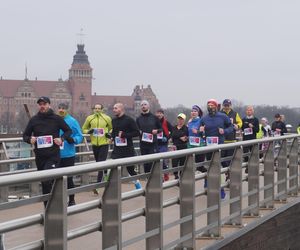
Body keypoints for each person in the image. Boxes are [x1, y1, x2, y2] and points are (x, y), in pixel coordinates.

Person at [23, 96, 72, 207]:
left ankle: (57, 204)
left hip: (53, 156)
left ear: (49, 105)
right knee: (45, 182)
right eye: (40, 104)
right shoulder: (34, 120)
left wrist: (62, 139)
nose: (42, 106)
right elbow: (25, 135)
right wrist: (30, 140)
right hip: (40, 157)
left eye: (44, 104)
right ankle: (47, 209)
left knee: (48, 178)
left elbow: (68, 131)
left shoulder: (56, 118)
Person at [200, 99, 234, 199]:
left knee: (218, 168)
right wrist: (200, 130)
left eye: (212, 105)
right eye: (208, 105)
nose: (210, 107)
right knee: (210, 167)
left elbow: (231, 127)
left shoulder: (222, 116)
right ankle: (210, 189)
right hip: (209, 147)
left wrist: (225, 131)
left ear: (216, 106)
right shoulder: (204, 118)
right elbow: (199, 132)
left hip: (220, 146)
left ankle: (222, 193)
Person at [57, 103, 83, 206]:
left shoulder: (72, 121)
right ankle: (58, 199)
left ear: (67, 110)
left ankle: (71, 199)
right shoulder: (54, 120)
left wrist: (74, 140)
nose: (61, 110)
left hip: (68, 154)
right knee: (55, 178)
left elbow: (79, 136)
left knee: (68, 179)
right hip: (55, 154)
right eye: (59, 108)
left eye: (63, 108)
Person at [82, 104, 112, 192]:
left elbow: (111, 128)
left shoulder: (107, 118)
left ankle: (97, 185)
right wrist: (88, 131)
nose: (97, 110)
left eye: (99, 109)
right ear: (93, 109)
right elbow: (83, 129)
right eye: (96, 108)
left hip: (104, 143)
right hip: (94, 144)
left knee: (100, 163)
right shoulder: (89, 118)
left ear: (102, 110)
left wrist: (108, 133)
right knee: (98, 163)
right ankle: (106, 174)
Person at [111, 103, 142, 189]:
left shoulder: (129, 120)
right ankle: (113, 187)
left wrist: (125, 135)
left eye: (116, 108)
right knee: (113, 167)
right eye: (113, 108)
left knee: (130, 169)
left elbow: (137, 132)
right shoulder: (113, 120)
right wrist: (112, 137)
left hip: (127, 149)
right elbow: (114, 131)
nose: (114, 110)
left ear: (121, 109)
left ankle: (138, 185)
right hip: (117, 149)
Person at [136, 100, 162, 173]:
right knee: (145, 162)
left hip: (153, 144)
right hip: (143, 144)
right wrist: (138, 131)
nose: (143, 106)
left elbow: (161, 129)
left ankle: (154, 176)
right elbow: (136, 130)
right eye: (142, 105)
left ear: (148, 106)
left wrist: (157, 131)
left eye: (145, 104)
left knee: (152, 161)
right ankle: (147, 178)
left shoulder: (154, 117)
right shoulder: (138, 119)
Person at [220, 99, 243, 171]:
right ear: (223, 105)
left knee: (229, 159)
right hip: (222, 140)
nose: (226, 107)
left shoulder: (235, 114)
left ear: (230, 106)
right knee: (221, 159)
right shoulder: (219, 114)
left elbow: (240, 122)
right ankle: (227, 171)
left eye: (228, 105)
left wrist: (238, 126)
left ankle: (228, 172)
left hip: (231, 139)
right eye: (225, 105)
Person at [155, 109, 173, 181]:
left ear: (163, 114)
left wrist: (167, 137)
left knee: (161, 159)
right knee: (156, 160)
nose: (159, 114)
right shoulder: (154, 122)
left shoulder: (166, 122)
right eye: (157, 113)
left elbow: (173, 131)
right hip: (155, 143)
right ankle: (161, 175)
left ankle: (165, 173)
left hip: (163, 144)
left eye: (160, 113)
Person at [187, 105, 205, 172]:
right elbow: (188, 133)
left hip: (199, 146)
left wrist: (198, 131)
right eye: (192, 111)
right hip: (190, 146)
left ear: (198, 113)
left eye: (195, 111)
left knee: (200, 167)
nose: (193, 112)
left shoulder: (201, 121)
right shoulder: (189, 122)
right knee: (190, 166)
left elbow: (204, 134)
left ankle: (208, 180)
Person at [241, 106, 260, 171]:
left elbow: (257, 130)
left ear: (253, 111)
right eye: (248, 110)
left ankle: (252, 167)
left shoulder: (256, 119)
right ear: (246, 111)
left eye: (250, 110)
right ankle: (247, 166)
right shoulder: (243, 119)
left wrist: (252, 127)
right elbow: (241, 128)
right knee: (245, 154)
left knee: (253, 154)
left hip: (252, 139)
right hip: (245, 139)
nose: (249, 111)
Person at [171, 113, 188, 180]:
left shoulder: (186, 128)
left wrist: (177, 136)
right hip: (175, 147)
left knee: (182, 162)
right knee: (174, 162)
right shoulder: (174, 127)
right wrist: (180, 136)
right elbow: (173, 135)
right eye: (179, 119)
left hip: (183, 147)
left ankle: (181, 176)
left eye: (182, 119)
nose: (180, 120)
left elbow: (185, 135)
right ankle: (175, 176)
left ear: (184, 120)